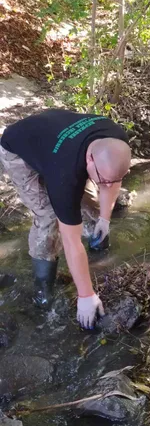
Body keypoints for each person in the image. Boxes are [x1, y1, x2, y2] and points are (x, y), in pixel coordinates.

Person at [0, 109, 131, 328]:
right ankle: (43, 288)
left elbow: (112, 180)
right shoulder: (65, 176)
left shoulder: (116, 142)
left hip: (55, 139)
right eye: (103, 180)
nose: (107, 186)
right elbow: (71, 241)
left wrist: (105, 220)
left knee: (91, 207)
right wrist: (86, 296)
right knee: (49, 218)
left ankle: (98, 251)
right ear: (90, 159)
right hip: (18, 149)